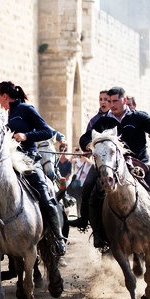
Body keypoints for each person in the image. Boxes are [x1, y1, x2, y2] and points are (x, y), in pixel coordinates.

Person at [79, 86, 150, 246]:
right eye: (109, 101)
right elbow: (85, 138)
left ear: (124, 100)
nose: (112, 104)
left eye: (115, 101)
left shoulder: (138, 117)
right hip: (111, 165)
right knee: (90, 189)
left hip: (140, 163)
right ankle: (96, 232)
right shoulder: (103, 122)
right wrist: (88, 145)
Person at [0, 81, 67, 256]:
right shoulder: (1, 115)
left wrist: (26, 136)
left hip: (29, 160)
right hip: (7, 162)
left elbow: (47, 132)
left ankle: (58, 238)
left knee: (44, 195)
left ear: (5, 96)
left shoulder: (26, 109)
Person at [68, 90, 109, 229]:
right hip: (99, 163)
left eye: (106, 99)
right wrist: (87, 146)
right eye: (101, 99)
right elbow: (85, 137)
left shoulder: (116, 119)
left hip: (116, 162)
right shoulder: (94, 121)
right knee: (87, 188)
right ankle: (84, 219)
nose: (103, 102)